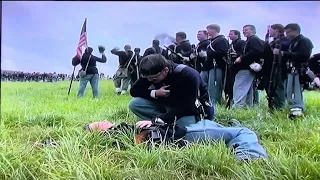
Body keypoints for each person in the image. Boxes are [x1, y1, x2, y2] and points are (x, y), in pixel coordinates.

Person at [85, 118, 268, 161]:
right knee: (243, 131)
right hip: (183, 134)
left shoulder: (120, 131)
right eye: (98, 123)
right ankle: (250, 158)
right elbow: (142, 139)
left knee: (208, 122)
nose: (104, 121)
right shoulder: (116, 133)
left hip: (184, 128)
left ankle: (229, 124)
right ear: (100, 132)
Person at [128, 54, 210, 127]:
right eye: (147, 78)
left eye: (154, 78)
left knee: (185, 129)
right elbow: (134, 91)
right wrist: (155, 93)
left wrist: (158, 120)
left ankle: (166, 121)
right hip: (168, 106)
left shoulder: (188, 75)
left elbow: (186, 106)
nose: (149, 81)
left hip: (189, 110)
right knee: (135, 104)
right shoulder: (151, 72)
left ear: (165, 70)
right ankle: (167, 121)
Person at [273, 23, 313, 118]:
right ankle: (293, 109)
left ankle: (297, 110)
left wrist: (283, 53)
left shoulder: (304, 41)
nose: (286, 35)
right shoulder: (294, 42)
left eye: (288, 32)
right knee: (289, 90)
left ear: (295, 31)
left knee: (295, 91)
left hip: (298, 69)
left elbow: (304, 55)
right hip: (291, 69)